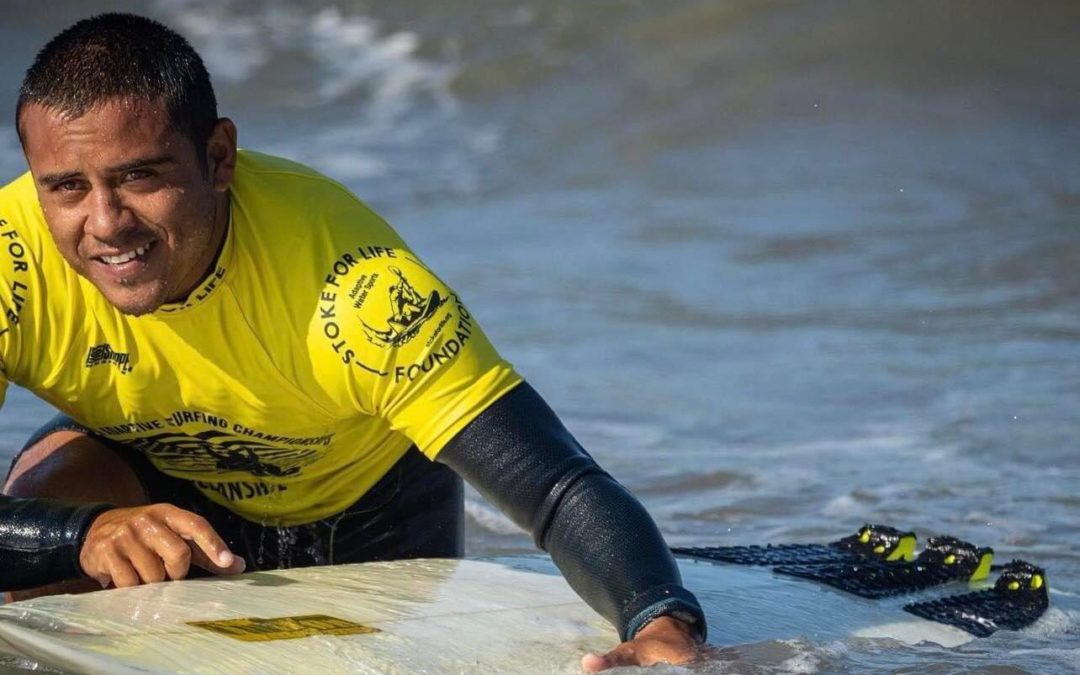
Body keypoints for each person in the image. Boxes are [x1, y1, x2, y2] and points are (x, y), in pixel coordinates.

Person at [0, 13, 706, 670]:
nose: (105, 222)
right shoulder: (9, 262)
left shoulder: (357, 291)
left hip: (370, 521)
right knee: (60, 497)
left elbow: (554, 486)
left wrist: (658, 613)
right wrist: (78, 534)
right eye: (65, 188)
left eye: (138, 176)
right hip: (161, 494)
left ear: (219, 157)